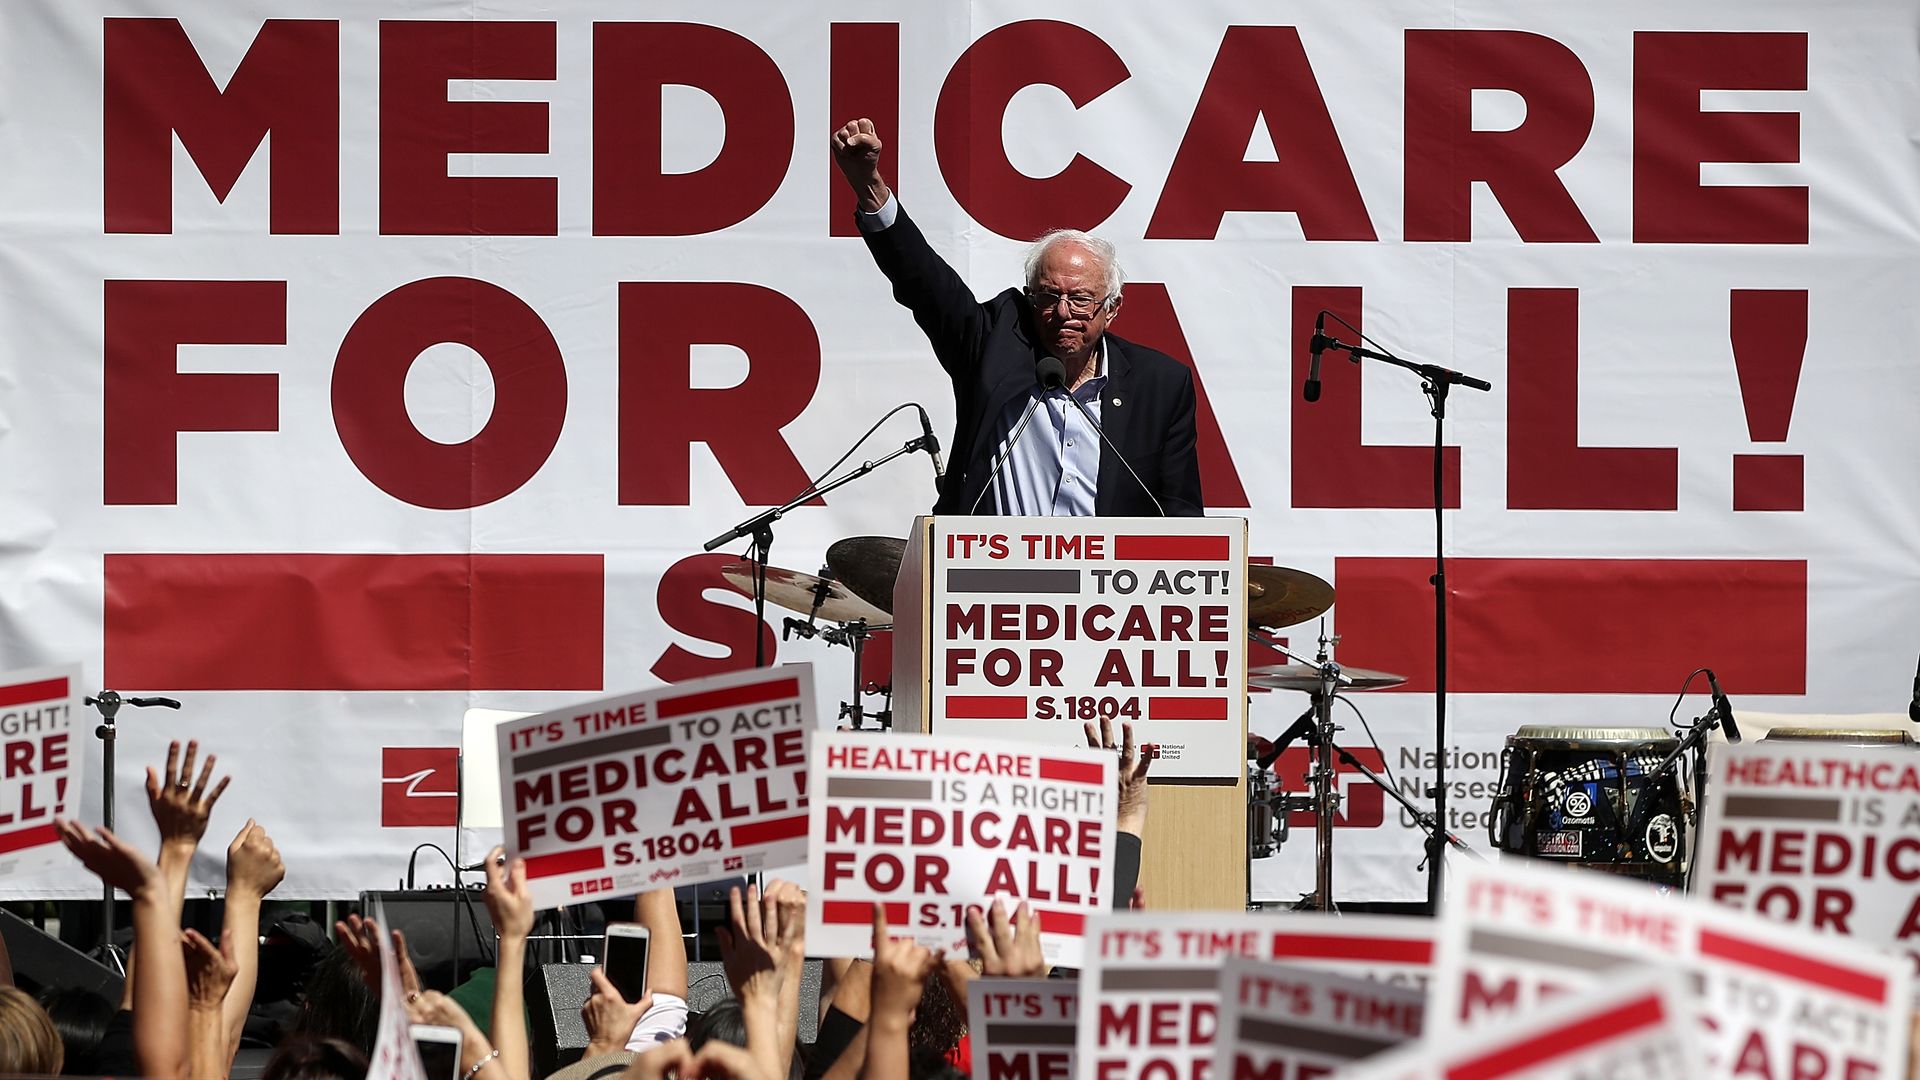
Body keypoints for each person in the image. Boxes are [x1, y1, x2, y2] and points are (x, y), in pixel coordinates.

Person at [830, 118, 1204, 518]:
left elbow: (1180, 516)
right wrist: (869, 187)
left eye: (1080, 299)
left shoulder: (1161, 385)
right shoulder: (991, 345)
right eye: (1048, 296)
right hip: (995, 573)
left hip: (1107, 577)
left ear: (1111, 309)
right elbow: (925, 284)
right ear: (1029, 298)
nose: (1063, 313)